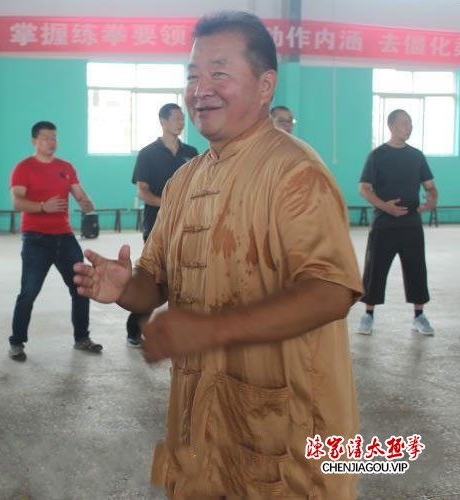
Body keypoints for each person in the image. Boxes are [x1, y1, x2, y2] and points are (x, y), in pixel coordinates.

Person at [74, 11, 362, 498]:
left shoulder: (295, 174)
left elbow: (333, 291)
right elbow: (156, 279)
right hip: (201, 426)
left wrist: (210, 329)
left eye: (218, 73)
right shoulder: (185, 179)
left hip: (287, 435)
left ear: (265, 85)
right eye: (192, 75)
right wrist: (127, 288)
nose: (199, 89)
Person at [9, 121, 102, 361]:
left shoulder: (66, 167)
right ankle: (17, 343)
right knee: (28, 292)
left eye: (54, 137)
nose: (51, 142)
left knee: (81, 288)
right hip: (36, 239)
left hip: (65, 237)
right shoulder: (24, 168)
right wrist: (42, 207)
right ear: (34, 141)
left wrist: (85, 203)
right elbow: (17, 202)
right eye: (45, 137)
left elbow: (79, 193)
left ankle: (82, 337)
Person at [356, 109, 438, 336]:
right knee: (376, 269)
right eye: (405, 123)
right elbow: (364, 189)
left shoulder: (416, 156)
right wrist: (386, 207)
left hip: (411, 223)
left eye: (411, 124)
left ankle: (419, 316)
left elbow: (430, 187)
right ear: (391, 126)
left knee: (416, 269)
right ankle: (368, 315)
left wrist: (432, 200)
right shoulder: (377, 155)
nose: (409, 127)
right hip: (384, 224)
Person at [126, 103, 199, 347]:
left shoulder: (192, 151)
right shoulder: (148, 153)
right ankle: (134, 329)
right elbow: (143, 192)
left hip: (188, 227)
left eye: (182, 119)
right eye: (176, 118)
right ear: (163, 121)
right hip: (156, 225)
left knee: (187, 279)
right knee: (154, 278)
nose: (181, 123)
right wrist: (167, 205)